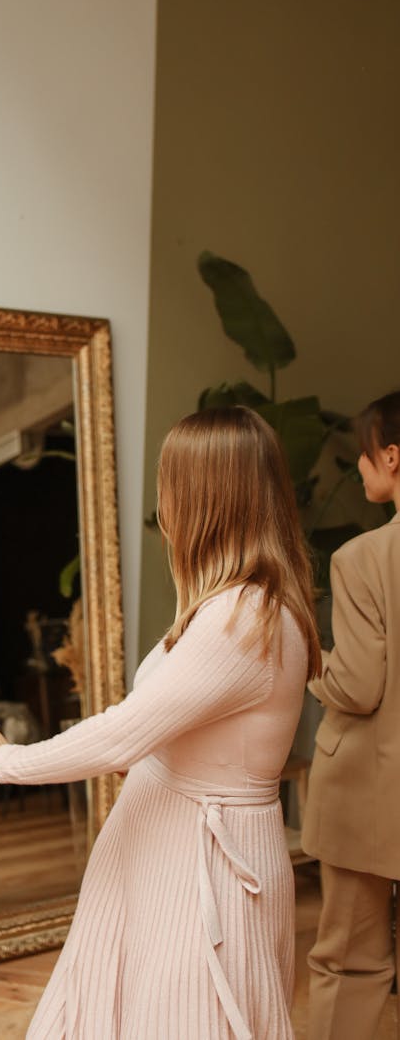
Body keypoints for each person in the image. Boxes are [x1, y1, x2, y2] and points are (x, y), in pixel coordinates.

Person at [0, 406, 321, 1040]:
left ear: (202, 498)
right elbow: (168, 724)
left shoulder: (243, 615)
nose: (163, 509)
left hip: (197, 862)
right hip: (164, 852)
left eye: (169, 487)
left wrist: (4, 760)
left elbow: (125, 728)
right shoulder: (234, 604)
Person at [302, 389, 400, 1040]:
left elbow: (360, 684)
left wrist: (315, 670)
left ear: (391, 457)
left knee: (351, 959)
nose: (362, 471)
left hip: (372, 792)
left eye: (363, 458)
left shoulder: (363, 558)